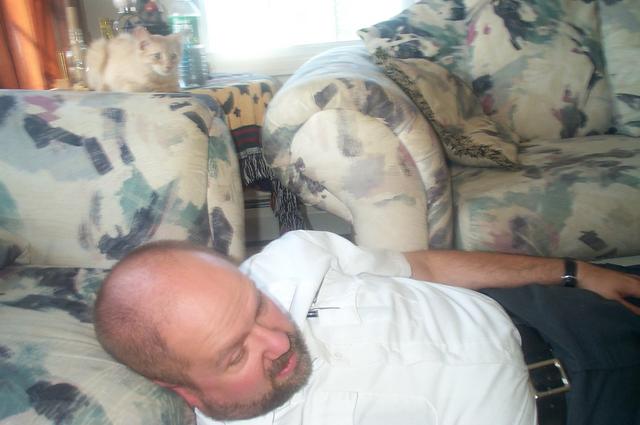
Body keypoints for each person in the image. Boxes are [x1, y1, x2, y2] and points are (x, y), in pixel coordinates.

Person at [94, 230, 640, 425]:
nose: (279, 339)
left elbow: (425, 267)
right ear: (182, 389)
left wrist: (574, 272)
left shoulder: (291, 259)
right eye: (234, 355)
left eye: (257, 304)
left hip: (553, 314)